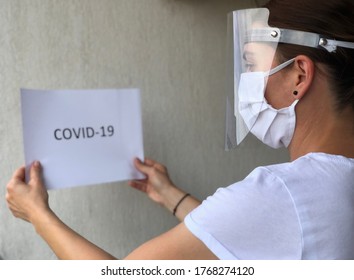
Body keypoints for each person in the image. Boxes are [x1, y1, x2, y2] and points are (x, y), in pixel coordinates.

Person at [5, 0, 354, 259]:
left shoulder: (282, 192)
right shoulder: (327, 186)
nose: (245, 81)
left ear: (299, 77)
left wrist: (37, 214)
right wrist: (170, 195)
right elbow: (259, 235)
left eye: (251, 64)